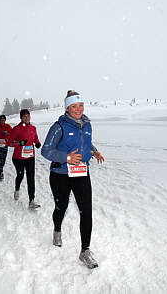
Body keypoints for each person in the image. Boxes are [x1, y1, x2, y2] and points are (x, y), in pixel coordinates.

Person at [41, 90, 105, 269]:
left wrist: (94, 151)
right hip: (60, 174)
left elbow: (86, 142)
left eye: (80, 105)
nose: (78, 109)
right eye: (74, 106)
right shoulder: (59, 126)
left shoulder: (87, 125)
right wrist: (66, 157)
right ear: (67, 108)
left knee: (86, 211)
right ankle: (57, 230)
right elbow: (46, 150)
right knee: (61, 207)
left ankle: (85, 251)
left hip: (81, 173)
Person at [8, 109, 42, 209]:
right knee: (20, 175)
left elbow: (35, 137)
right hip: (18, 158)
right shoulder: (16, 129)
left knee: (31, 178)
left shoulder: (33, 128)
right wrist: (19, 143)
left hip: (30, 157)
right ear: (21, 118)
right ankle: (17, 189)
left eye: (28, 116)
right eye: (24, 116)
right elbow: (9, 143)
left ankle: (31, 200)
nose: (27, 118)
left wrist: (37, 142)